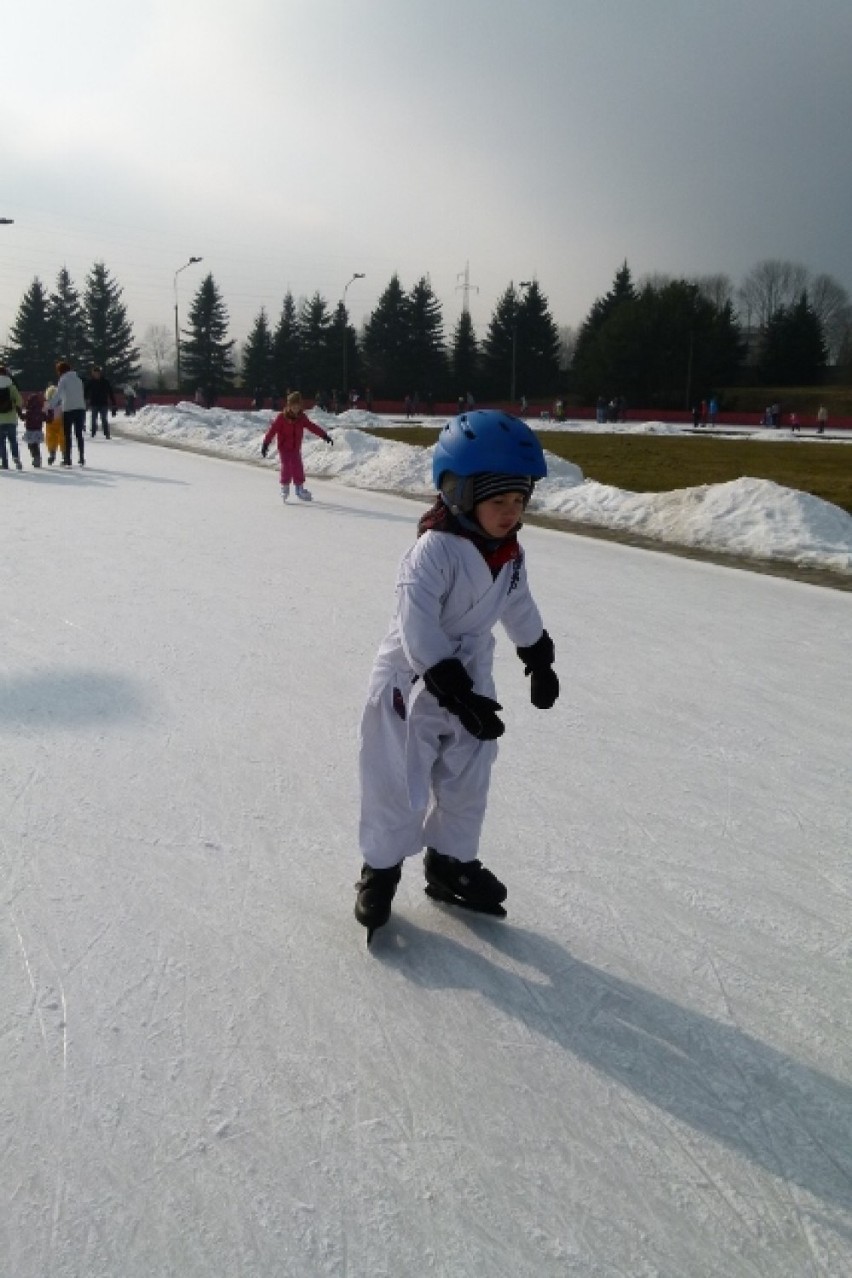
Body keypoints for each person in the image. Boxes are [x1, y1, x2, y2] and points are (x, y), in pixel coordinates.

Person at [354, 409, 560, 939]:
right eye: (499, 502)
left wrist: (537, 656)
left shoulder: (509, 556)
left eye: (519, 501)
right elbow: (417, 625)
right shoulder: (433, 551)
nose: (511, 513)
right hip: (413, 683)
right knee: (397, 782)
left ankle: (449, 863)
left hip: (472, 678)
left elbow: (519, 606)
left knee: (470, 777)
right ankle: (379, 870)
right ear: (459, 493)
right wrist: (454, 691)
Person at [260, 390, 334, 502]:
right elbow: (272, 431)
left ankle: (299, 488)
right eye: (293, 406)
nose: (295, 409)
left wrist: (324, 435)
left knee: (298, 467)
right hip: (284, 447)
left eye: (298, 406)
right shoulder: (281, 418)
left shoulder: (302, 418)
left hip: (295, 448)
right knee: (287, 466)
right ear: (288, 405)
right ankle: (285, 486)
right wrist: (265, 444)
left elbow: (312, 427)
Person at [49, 359, 87, 466]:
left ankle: (68, 459)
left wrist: (50, 406)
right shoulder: (78, 379)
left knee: (67, 434)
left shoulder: (63, 379)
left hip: (68, 409)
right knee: (79, 434)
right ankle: (81, 457)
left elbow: (58, 394)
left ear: (60, 371)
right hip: (80, 408)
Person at [0, 364, 24, 470]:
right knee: (13, 440)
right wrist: (14, 405)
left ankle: (4, 463)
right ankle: (16, 458)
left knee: (1, 442)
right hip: (11, 419)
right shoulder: (11, 386)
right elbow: (19, 401)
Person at [85, 366, 117, 437]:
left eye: (97, 373)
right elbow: (85, 391)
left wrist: (114, 403)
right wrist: (85, 399)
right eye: (94, 373)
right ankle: (93, 432)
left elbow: (110, 392)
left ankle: (106, 433)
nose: (95, 375)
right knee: (93, 419)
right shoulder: (91, 382)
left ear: (99, 373)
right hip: (94, 403)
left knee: (104, 419)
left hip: (103, 403)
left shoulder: (105, 382)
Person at [22, 393, 45, 467]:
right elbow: (46, 418)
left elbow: (23, 417)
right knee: (35, 445)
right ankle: (37, 457)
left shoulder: (29, 411)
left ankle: (36, 458)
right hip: (38, 430)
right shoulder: (40, 411)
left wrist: (18, 410)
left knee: (31, 445)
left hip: (30, 430)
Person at [44, 382, 63, 464]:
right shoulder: (62, 403)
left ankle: (52, 453)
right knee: (63, 438)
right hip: (61, 421)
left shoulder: (47, 403)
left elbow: (44, 412)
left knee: (51, 438)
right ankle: (65, 454)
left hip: (50, 422)